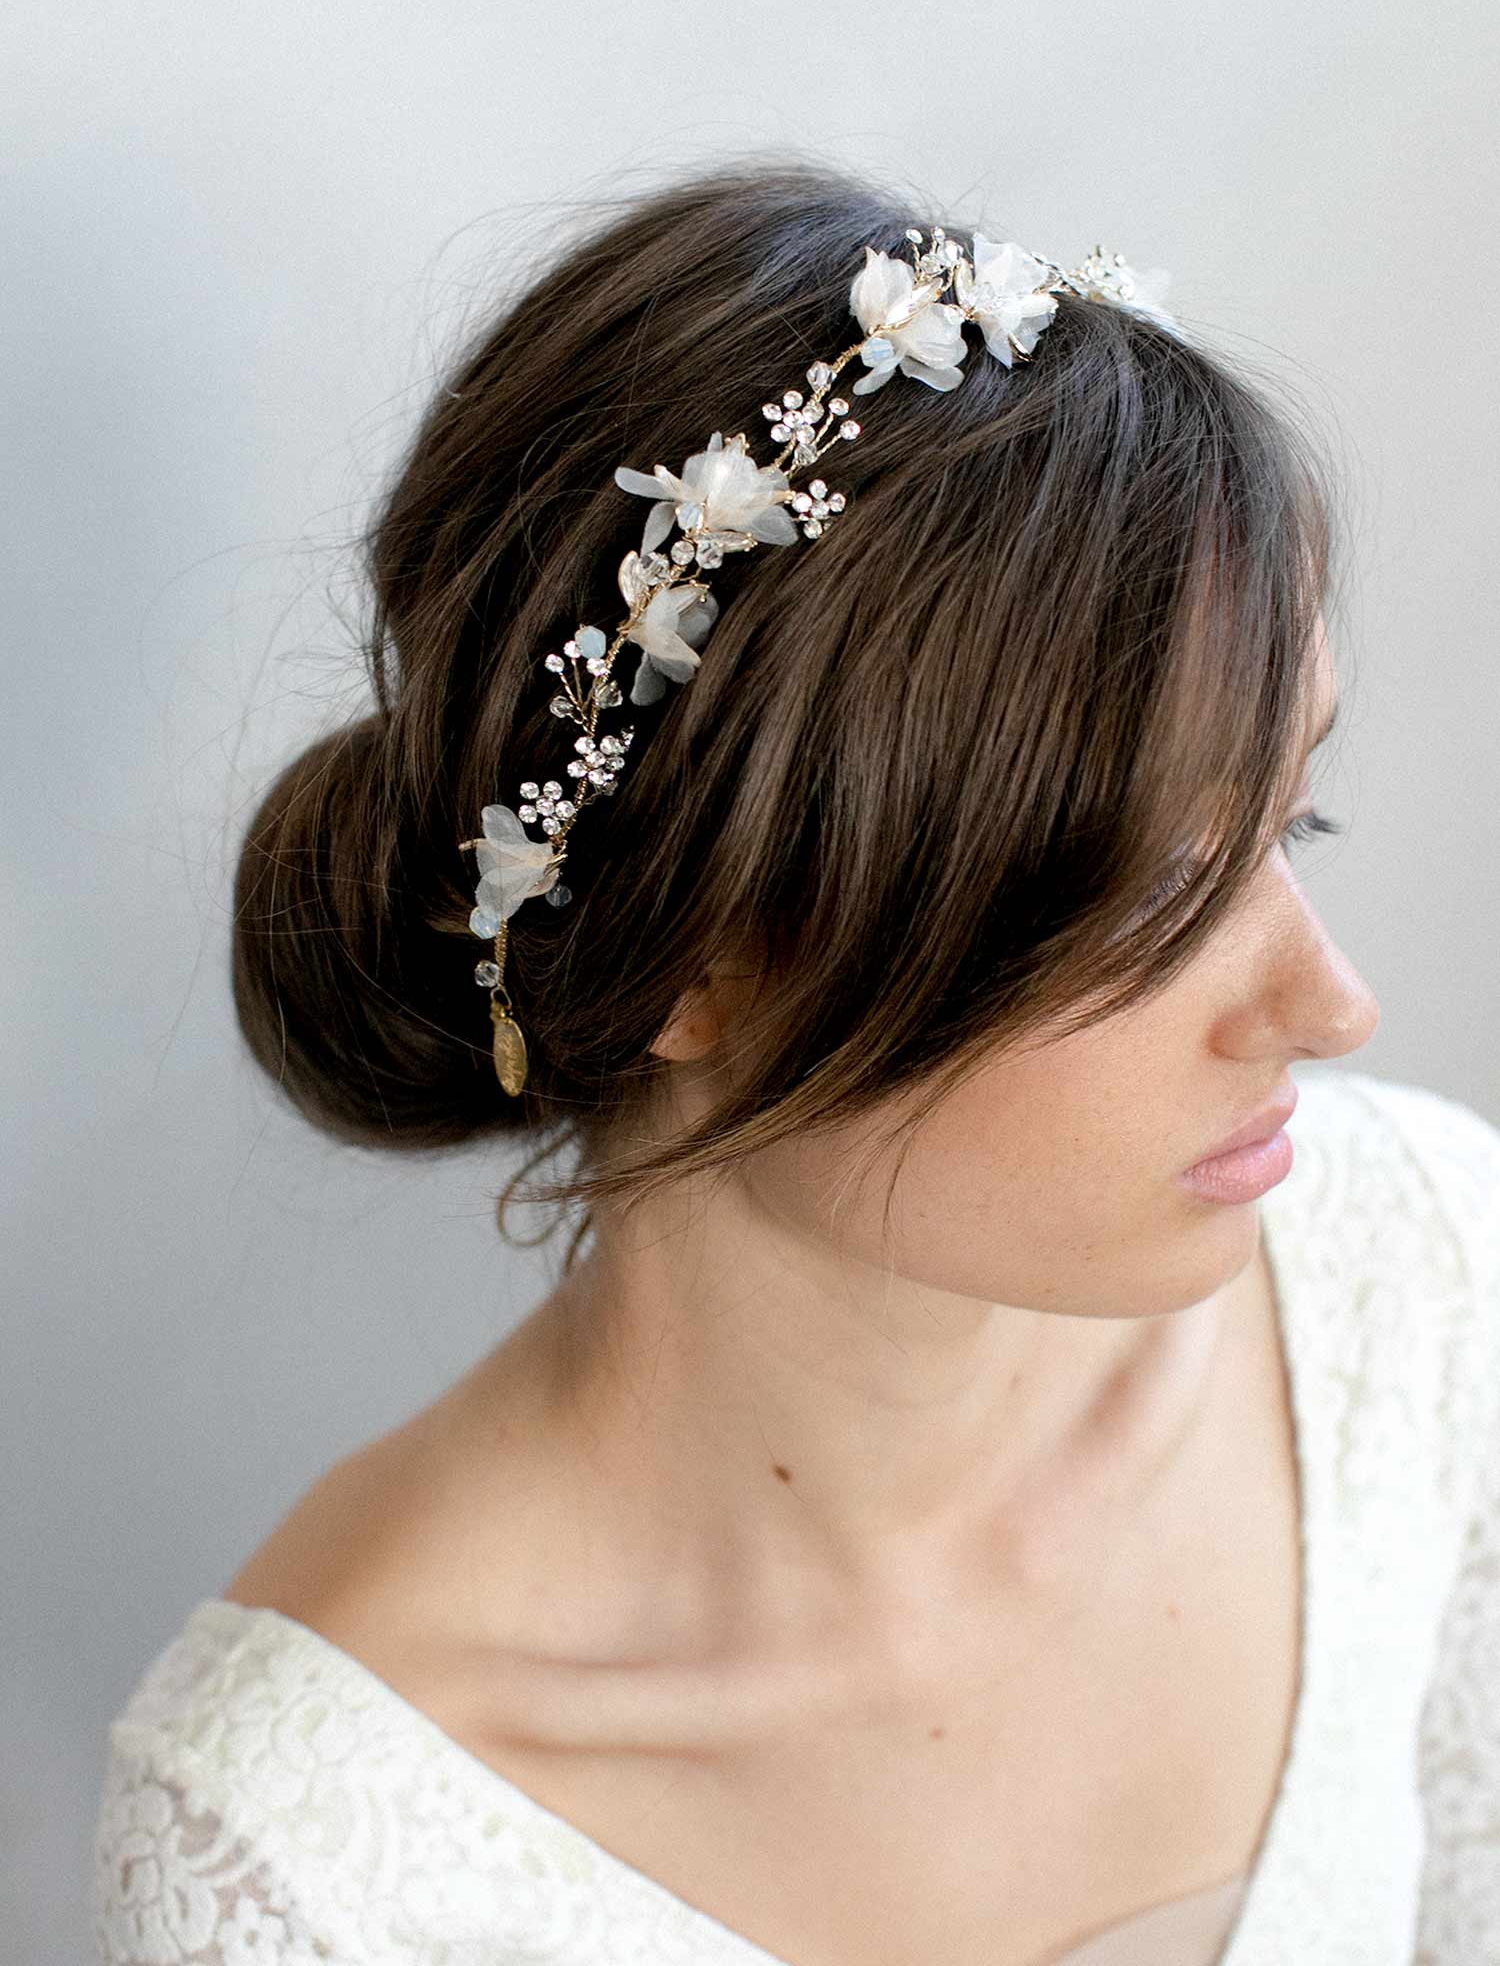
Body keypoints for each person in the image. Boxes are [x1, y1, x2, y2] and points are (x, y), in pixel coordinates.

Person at [92, 154, 1499, 1966]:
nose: (1330, 1008)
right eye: (1151, 885)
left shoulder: (1421, 1287)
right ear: (691, 959)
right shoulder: (311, 1857)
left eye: (1288, 828)